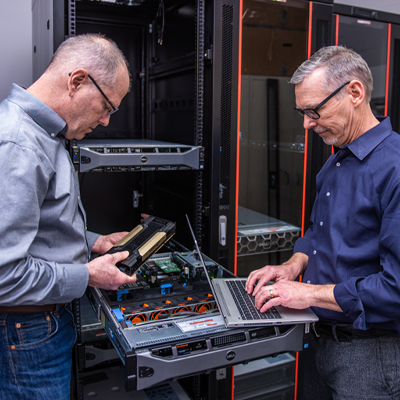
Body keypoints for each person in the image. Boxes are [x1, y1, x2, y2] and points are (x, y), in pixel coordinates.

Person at [245, 45, 400, 400]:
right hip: (319, 339)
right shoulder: (335, 163)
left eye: (314, 110)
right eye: (302, 112)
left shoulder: (395, 169)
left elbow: (396, 289)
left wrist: (305, 293)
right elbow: (319, 231)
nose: (306, 123)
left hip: (370, 355)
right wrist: (291, 266)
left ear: (355, 93)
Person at [0, 33, 137, 399]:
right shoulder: (18, 144)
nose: (107, 121)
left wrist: (93, 241)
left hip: (37, 327)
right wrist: (88, 276)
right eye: (107, 106)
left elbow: (38, 225)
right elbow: (4, 275)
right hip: (25, 332)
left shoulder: (44, 134)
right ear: (77, 81)